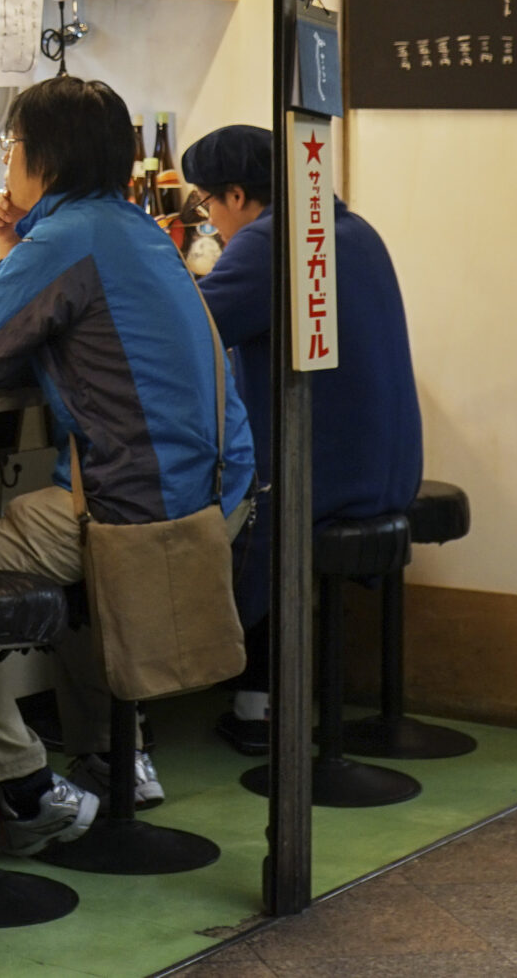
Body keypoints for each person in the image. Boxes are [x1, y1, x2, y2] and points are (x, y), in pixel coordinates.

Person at [0, 76, 256, 853]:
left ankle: (25, 789)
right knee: (71, 545)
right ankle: (120, 755)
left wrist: (20, 252)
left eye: (10, 146)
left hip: (138, 509)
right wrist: (19, 249)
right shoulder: (136, 228)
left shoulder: (67, 239)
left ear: (42, 156)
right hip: (221, 494)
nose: (6, 161)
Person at [181, 123, 424, 754]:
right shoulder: (348, 227)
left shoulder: (268, 242)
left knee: (229, 515)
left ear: (237, 195)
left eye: (208, 203)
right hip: (387, 463)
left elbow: (193, 329)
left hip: (328, 475)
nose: (210, 220)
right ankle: (269, 697)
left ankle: (259, 706)